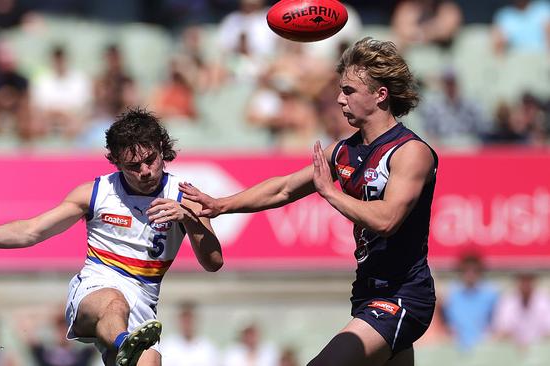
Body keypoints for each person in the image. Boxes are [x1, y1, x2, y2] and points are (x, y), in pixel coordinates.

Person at [180, 37, 438, 366]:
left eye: (348, 91)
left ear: (380, 94)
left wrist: (330, 192)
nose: (339, 99)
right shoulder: (344, 150)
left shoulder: (410, 152)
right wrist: (220, 205)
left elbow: (387, 220)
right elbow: (284, 188)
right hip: (367, 290)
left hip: (402, 295)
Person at [0, 107, 224, 366]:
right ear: (116, 163)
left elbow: (214, 262)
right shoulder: (95, 194)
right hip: (96, 288)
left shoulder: (187, 198)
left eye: (151, 160)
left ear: (162, 150)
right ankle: (126, 346)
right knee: (114, 302)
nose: (146, 171)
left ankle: (127, 349)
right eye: (134, 166)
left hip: (145, 302)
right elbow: (32, 230)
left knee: (149, 362)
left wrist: (188, 218)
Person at [440, 253, 499, 351]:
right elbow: (446, 324)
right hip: (454, 346)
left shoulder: (491, 295)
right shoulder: (449, 294)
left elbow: (496, 324)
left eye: (475, 270)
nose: (470, 274)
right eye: (466, 270)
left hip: (484, 346)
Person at [492, 271, 550, 349]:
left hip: (540, 349)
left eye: (528, 280)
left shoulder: (544, 300)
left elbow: (547, 331)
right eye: (522, 280)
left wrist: (531, 346)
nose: (525, 284)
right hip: (512, 350)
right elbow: (502, 330)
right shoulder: (508, 301)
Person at [161, 301, 220, 366]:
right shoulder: (166, 347)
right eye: (184, 319)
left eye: (189, 319)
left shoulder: (208, 348)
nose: (187, 323)